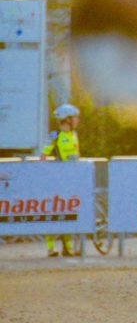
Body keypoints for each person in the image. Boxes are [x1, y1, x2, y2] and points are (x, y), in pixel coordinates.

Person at [41, 103, 81, 257]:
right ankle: (50, 248)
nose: (77, 120)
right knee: (54, 211)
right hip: (57, 180)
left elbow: (77, 157)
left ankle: (68, 247)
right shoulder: (55, 136)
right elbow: (43, 157)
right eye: (74, 118)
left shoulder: (74, 135)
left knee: (71, 212)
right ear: (67, 119)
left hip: (72, 179)